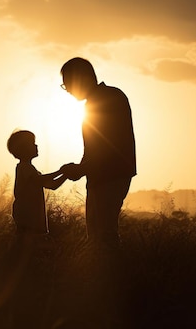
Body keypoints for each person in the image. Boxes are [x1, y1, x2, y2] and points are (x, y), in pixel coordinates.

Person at [59, 57, 137, 249]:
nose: (67, 90)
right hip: (102, 175)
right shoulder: (105, 98)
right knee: (98, 234)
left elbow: (107, 147)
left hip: (109, 175)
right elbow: (94, 149)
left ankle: (110, 274)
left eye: (67, 84)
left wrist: (80, 169)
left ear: (81, 78)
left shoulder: (107, 100)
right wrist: (79, 169)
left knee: (102, 236)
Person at [7, 130, 67, 237]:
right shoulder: (24, 167)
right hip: (26, 219)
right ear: (24, 148)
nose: (36, 146)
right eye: (32, 143)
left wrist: (66, 174)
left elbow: (53, 185)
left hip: (33, 221)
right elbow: (40, 180)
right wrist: (61, 171)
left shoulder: (32, 170)